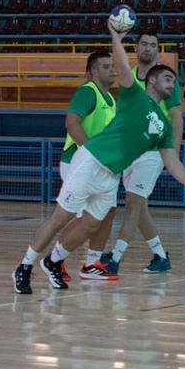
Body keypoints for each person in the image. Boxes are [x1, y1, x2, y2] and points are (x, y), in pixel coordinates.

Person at [12, 22, 185, 294]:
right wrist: (116, 37)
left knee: (92, 223)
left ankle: (54, 260)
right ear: (152, 80)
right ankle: (24, 266)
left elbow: (172, 161)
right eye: (167, 78)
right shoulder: (134, 96)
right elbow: (120, 64)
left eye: (174, 81)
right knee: (61, 217)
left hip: (111, 174)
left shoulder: (164, 127)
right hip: (91, 160)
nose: (172, 83)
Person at [102, 32, 184, 275]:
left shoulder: (165, 79)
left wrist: (174, 155)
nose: (149, 49)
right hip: (130, 149)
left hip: (154, 149)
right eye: (145, 44)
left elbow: (177, 116)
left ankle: (114, 259)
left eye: (154, 46)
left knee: (133, 203)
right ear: (136, 48)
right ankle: (160, 256)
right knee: (139, 206)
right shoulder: (128, 77)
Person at [58, 50, 118, 281]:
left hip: (100, 165)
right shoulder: (87, 92)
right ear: (93, 72)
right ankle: (57, 260)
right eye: (105, 66)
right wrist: (90, 154)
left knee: (107, 212)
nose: (112, 69)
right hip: (79, 162)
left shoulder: (110, 98)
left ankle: (92, 262)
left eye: (113, 65)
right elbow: (71, 123)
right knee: (78, 217)